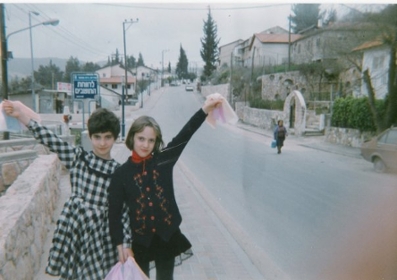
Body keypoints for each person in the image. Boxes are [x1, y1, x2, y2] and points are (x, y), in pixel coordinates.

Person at [2, 99, 131, 280]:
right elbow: (49, 138)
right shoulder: (78, 157)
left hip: (100, 235)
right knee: (74, 273)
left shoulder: (119, 172)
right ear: (90, 136)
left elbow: (122, 212)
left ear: (115, 138)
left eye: (108, 137)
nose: (102, 143)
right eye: (97, 137)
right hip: (75, 228)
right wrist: (22, 116)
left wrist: (125, 243)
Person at [108, 97, 222, 280]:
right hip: (140, 242)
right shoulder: (121, 174)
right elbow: (113, 214)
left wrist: (204, 110)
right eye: (141, 139)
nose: (145, 145)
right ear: (132, 138)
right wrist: (121, 244)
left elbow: (185, 135)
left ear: (156, 142)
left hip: (167, 236)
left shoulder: (163, 161)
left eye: (151, 140)